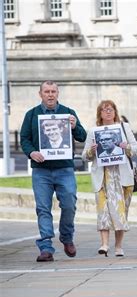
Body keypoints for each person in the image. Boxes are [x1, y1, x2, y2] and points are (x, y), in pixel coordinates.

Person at [20, 80, 87, 262]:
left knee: (69, 203)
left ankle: (66, 237)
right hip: (41, 170)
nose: (50, 95)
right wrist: (31, 152)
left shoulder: (68, 113)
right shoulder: (32, 115)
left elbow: (82, 136)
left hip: (64, 168)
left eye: (53, 91)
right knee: (43, 207)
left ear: (58, 93)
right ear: (40, 93)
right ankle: (46, 247)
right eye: (47, 91)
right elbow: (24, 138)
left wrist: (74, 126)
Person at [82, 100, 137, 257]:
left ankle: (119, 247)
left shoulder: (124, 128)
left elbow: (136, 149)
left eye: (110, 109)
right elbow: (84, 155)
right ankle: (104, 245)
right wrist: (91, 152)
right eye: (104, 110)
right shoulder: (94, 131)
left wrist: (125, 147)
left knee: (121, 213)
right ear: (99, 114)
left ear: (115, 112)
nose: (107, 112)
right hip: (102, 178)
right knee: (103, 212)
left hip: (122, 178)